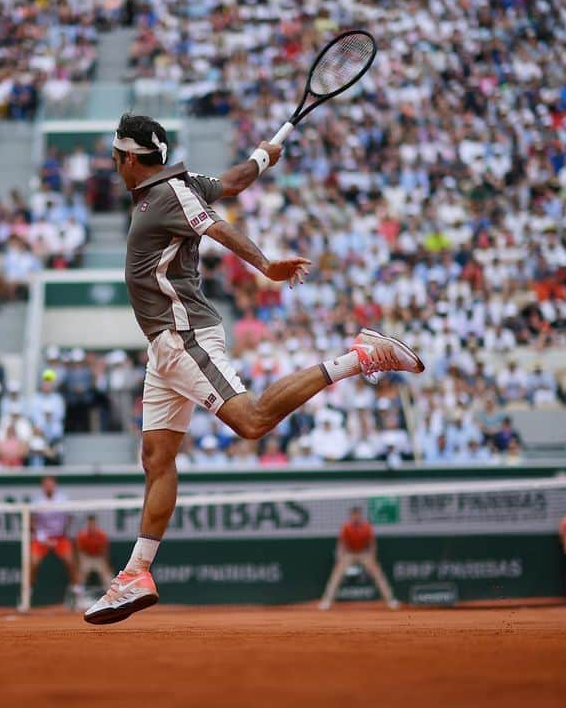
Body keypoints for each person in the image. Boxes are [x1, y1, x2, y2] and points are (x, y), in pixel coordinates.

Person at [84, 114, 424, 625]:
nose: (114, 164)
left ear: (130, 159)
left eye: (116, 156)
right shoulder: (179, 183)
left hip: (185, 336)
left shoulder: (170, 196)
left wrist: (265, 266)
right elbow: (236, 181)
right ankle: (136, 573)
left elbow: (217, 227)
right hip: (163, 347)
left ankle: (361, 356)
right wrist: (265, 155)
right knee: (157, 457)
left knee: (252, 421)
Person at [319, 506, 398, 611]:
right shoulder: (346, 527)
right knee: (336, 575)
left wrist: (372, 557)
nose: (356, 517)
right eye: (354, 515)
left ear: (360, 515)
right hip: (349, 553)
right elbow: (341, 544)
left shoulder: (367, 527)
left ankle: (390, 600)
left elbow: (372, 544)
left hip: (363, 553)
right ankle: (327, 601)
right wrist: (340, 558)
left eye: (358, 514)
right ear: (351, 516)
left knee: (378, 573)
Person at [28, 476, 82, 608]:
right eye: (46, 485)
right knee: (32, 564)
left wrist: (63, 532)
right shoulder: (37, 501)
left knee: (71, 562)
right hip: (41, 538)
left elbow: (69, 517)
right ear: (43, 487)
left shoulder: (63, 499)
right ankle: (27, 593)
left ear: (55, 486)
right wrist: (41, 536)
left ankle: (76, 592)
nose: (48, 487)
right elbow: (31, 520)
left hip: (60, 537)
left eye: (51, 484)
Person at [75, 515, 115, 596]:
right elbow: (80, 552)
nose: (91, 526)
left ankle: (112, 596)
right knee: (80, 576)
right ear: (87, 524)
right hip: (86, 557)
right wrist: (80, 564)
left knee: (107, 576)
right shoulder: (82, 536)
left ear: (96, 524)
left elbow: (104, 552)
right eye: (90, 524)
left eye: (93, 524)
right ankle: (77, 598)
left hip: (98, 557)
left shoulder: (101, 535)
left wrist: (107, 565)